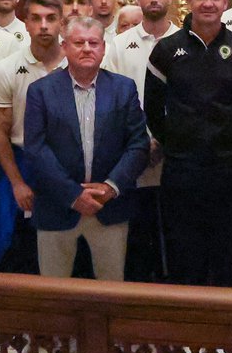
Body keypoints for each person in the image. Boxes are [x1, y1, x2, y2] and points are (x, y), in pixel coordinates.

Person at [145, 0, 232, 288]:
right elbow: (153, 111)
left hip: (227, 172)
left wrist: (229, 148)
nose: (208, 3)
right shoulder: (166, 51)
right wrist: (178, 146)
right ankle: (187, 335)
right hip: (182, 171)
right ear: (188, 1)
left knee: (224, 256)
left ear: (225, 1)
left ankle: (223, 336)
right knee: (185, 255)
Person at [24, 16, 148, 283]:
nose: (87, 49)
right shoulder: (40, 91)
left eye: (93, 43)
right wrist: (73, 194)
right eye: (79, 42)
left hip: (110, 207)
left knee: (110, 291)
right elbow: (36, 149)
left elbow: (138, 145)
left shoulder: (124, 89)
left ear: (103, 48)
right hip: (57, 206)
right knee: (54, 294)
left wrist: (110, 187)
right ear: (65, 46)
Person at [104, 0, 180, 282]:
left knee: (175, 244)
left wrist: (165, 140)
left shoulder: (186, 42)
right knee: (136, 246)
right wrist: (142, 141)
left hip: (176, 158)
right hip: (133, 156)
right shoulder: (119, 46)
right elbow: (110, 99)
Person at [0, 0, 67, 277]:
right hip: (23, 164)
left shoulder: (79, 65)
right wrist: (17, 183)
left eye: (51, 19)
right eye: (36, 18)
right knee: (19, 249)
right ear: (26, 23)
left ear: (62, 24)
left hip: (70, 165)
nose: (44, 25)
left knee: (65, 248)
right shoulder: (6, 68)